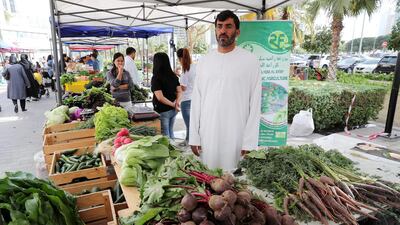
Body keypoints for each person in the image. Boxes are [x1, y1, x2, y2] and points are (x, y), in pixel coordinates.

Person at [189, 10, 261, 170]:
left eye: (228, 26)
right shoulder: (204, 61)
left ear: (237, 31)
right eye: (219, 26)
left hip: (237, 135)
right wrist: (194, 136)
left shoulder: (250, 61)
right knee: (209, 180)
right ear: (215, 30)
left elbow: (255, 104)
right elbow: (196, 101)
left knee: (235, 183)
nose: (223, 30)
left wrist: (250, 141)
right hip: (208, 134)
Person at [151, 52, 182, 139]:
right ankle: (174, 150)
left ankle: (169, 151)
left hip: (163, 110)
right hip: (173, 110)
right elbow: (180, 91)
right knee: (171, 132)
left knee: (165, 135)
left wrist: (174, 105)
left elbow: (160, 98)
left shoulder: (156, 78)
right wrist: (176, 103)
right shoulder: (173, 76)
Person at [177, 48, 196, 146]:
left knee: (189, 124)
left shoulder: (185, 70)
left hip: (186, 101)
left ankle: (189, 143)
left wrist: (178, 80)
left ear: (180, 58)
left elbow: (183, 88)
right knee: (193, 123)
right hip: (195, 99)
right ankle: (190, 141)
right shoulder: (195, 67)